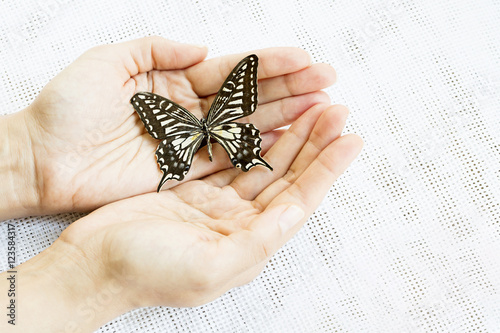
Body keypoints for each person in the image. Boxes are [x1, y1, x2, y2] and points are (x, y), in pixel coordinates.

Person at [0, 36, 363, 332]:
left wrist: (29, 159)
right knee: (246, 148)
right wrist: (98, 275)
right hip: (217, 133)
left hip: (189, 141)